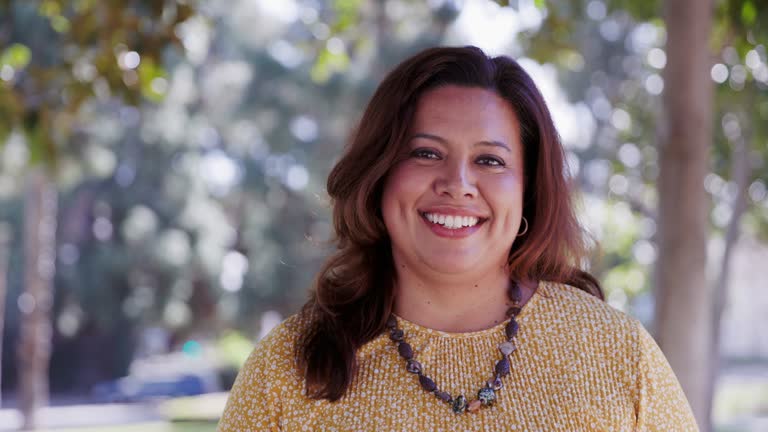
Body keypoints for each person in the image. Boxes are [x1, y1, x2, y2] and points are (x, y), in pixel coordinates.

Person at [217, 46, 699, 431]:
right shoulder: (285, 368)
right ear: (380, 176)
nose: (458, 183)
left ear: (528, 192)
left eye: (490, 160)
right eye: (426, 153)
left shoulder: (616, 352)